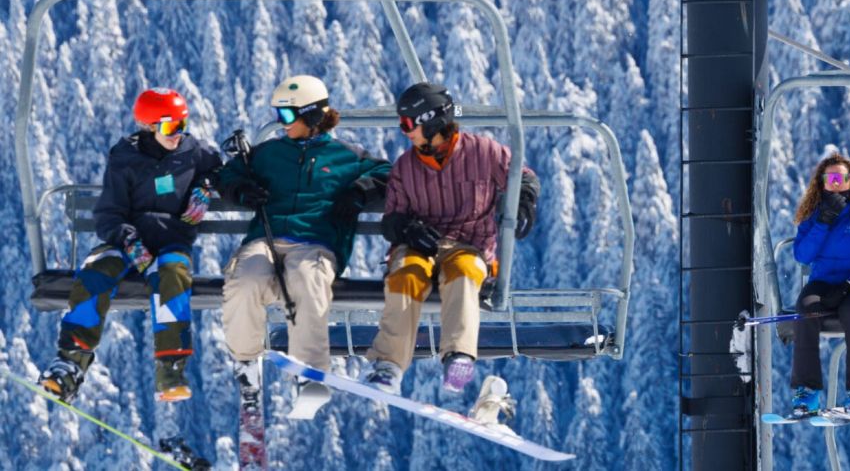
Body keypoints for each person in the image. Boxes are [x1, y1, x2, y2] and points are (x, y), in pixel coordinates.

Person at [218, 75, 390, 418]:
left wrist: (359, 191)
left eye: (287, 116)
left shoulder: (345, 156)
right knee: (245, 279)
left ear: (312, 116)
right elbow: (228, 175)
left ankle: (309, 374)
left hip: (315, 244)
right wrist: (241, 190)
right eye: (278, 116)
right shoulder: (267, 154)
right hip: (265, 240)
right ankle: (246, 360)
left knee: (308, 285)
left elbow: (388, 173)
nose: (281, 126)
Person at [39, 88, 222, 403]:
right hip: (128, 240)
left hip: (171, 241)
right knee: (96, 271)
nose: (178, 133)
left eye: (182, 124)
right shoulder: (125, 158)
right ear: (149, 127)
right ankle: (70, 362)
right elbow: (108, 214)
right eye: (169, 127)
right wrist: (133, 245)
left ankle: (171, 368)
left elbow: (221, 169)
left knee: (173, 276)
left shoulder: (193, 152)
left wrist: (205, 186)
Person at [362, 82, 539, 395]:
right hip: (419, 246)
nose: (405, 132)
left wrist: (523, 198)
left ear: (431, 121)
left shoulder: (483, 152)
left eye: (408, 124)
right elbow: (392, 219)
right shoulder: (406, 167)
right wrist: (406, 228)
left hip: (467, 245)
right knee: (406, 276)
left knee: (464, 275)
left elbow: (521, 175)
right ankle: (388, 366)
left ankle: (458, 356)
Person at [787, 154, 850, 418]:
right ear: (820, 183)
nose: (835, 184)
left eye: (840, 178)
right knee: (806, 310)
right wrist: (823, 222)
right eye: (829, 179)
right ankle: (807, 390)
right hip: (823, 283)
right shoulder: (814, 216)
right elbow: (803, 255)